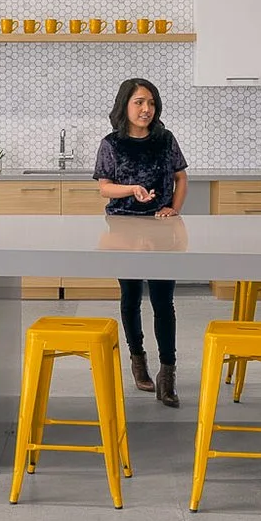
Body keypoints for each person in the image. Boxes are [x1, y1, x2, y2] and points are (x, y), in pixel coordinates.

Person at [94, 76, 188, 409]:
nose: (146, 109)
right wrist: (132, 189)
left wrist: (173, 208)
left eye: (151, 103)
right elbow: (104, 187)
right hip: (122, 227)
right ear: (125, 106)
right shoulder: (111, 144)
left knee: (163, 301)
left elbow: (180, 177)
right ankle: (138, 361)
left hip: (162, 229)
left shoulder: (165, 139)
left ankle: (168, 374)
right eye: (139, 102)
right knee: (131, 296)